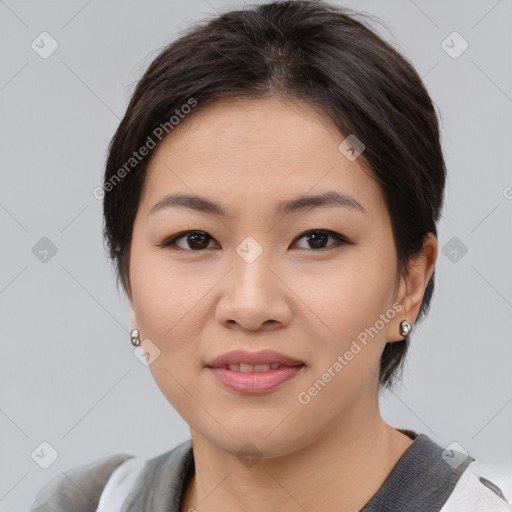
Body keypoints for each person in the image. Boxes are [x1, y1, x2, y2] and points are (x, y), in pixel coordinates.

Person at [30, 1, 511, 511]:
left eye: (317, 239)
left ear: (409, 282)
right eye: (195, 240)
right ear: (127, 276)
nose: (251, 305)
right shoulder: (85, 503)